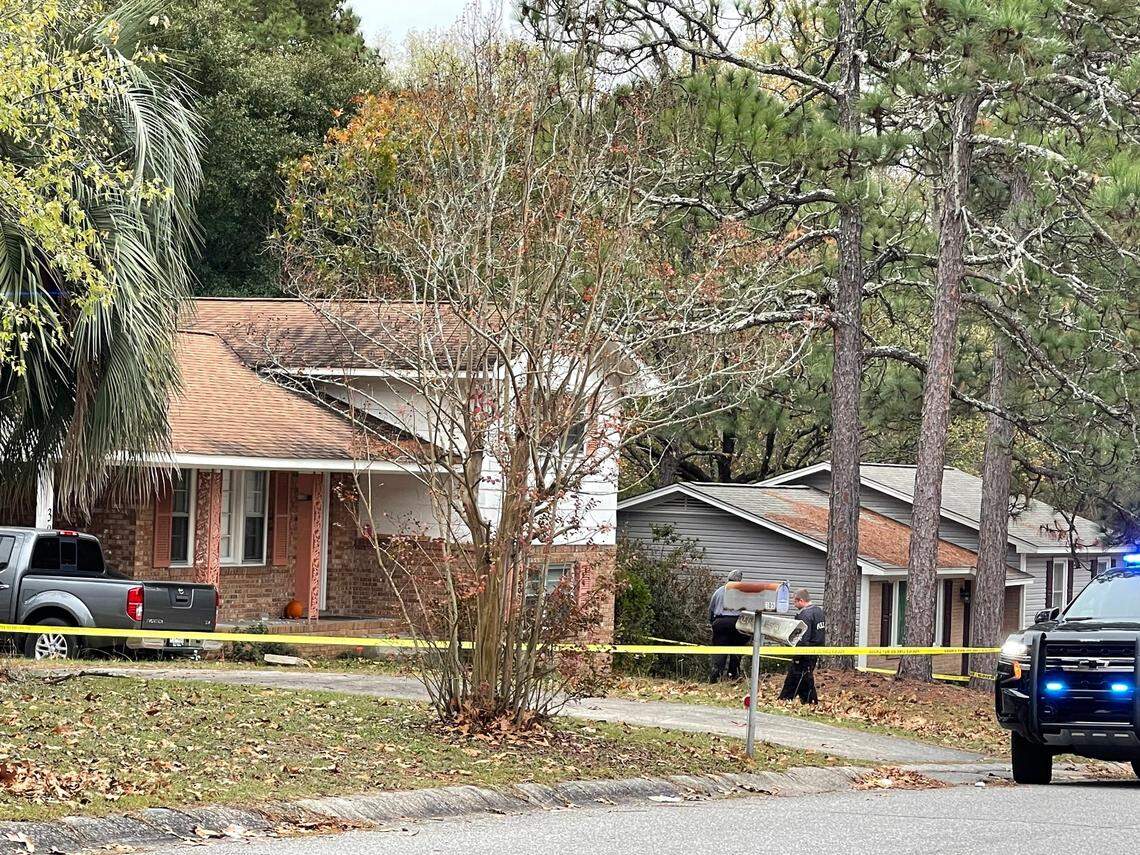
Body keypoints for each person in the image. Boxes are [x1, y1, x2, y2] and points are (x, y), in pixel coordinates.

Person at [779, 588, 825, 703]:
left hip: (804, 654)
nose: (794, 605)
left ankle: (787, 699)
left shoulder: (805, 615)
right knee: (803, 678)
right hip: (815, 651)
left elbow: (803, 639)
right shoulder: (818, 611)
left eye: (795, 602)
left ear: (801, 600)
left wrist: (797, 655)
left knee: (798, 678)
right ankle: (806, 700)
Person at [708, 569, 747, 682]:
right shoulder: (744, 593)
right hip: (738, 623)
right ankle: (733, 676)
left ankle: (715, 678)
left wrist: (712, 622)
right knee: (736, 651)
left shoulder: (719, 591)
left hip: (720, 623)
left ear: (728, 579)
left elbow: (711, 609)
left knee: (720, 652)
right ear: (739, 581)